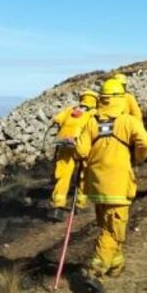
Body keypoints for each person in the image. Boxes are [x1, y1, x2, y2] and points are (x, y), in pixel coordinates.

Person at [74, 78, 147, 293]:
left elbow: (80, 151)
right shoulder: (128, 121)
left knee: (109, 227)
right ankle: (94, 272)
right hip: (118, 186)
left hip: (96, 187)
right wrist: (136, 159)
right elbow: (145, 143)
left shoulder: (91, 121)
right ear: (120, 98)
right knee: (113, 231)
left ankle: (115, 263)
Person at [49, 90, 98, 221]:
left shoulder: (70, 110)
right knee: (84, 175)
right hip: (82, 147)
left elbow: (56, 119)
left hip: (65, 144)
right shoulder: (93, 113)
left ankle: (57, 208)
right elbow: (94, 131)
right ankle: (79, 206)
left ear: (81, 98)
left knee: (63, 176)